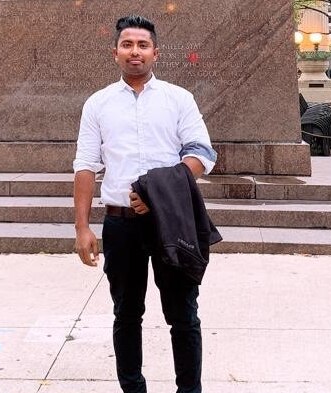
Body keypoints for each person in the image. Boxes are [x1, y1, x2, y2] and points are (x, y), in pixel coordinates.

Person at [73, 15, 217, 393]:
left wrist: (157, 191)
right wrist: (82, 227)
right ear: (115, 53)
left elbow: (202, 153)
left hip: (171, 223)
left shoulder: (178, 99)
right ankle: (133, 388)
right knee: (126, 314)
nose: (134, 51)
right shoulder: (98, 104)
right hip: (120, 225)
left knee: (183, 315)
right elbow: (86, 166)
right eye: (127, 45)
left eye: (142, 45)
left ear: (155, 52)